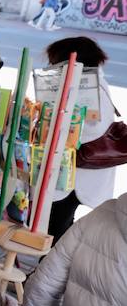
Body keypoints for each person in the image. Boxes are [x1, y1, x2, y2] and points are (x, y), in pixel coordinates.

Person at [41, 38, 116, 241]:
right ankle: (49, 267)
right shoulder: (88, 84)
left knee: (55, 227)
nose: (51, 67)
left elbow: (90, 130)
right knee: (59, 224)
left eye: (55, 62)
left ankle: (47, 269)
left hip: (77, 172)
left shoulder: (90, 90)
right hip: (74, 170)